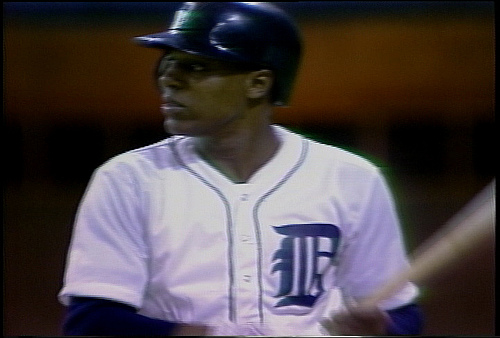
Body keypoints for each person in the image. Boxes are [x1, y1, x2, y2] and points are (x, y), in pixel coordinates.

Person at [58, 2, 423, 336]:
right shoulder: (127, 180)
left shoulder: (351, 178)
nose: (170, 80)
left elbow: (403, 316)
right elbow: (90, 321)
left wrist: (385, 328)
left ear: (258, 83)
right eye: (168, 64)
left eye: (196, 66)